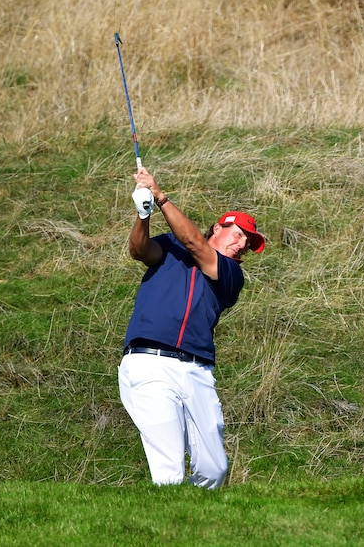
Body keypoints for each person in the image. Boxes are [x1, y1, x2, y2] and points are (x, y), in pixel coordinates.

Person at [118, 166, 265, 487]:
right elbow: (139, 250)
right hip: (149, 363)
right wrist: (143, 213)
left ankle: (199, 524)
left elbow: (197, 244)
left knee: (214, 469)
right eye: (238, 235)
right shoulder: (172, 245)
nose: (241, 246)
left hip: (197, 372)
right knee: (169, 471)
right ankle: (171, 528)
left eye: (248, 244)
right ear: (218, 227)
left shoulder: (230, 272)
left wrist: (161, 198)